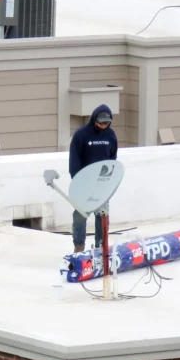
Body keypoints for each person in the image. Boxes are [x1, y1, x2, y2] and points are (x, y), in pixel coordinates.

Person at [68, 104, 118, 253]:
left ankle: (101, 248)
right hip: (84, 184)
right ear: (94, 119)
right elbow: (74, 160)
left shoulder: (111, 136)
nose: (103, 125)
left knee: (102, 217)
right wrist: (77, 182)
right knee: (80, 216)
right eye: (101, 122)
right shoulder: (81, 135)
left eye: (106, 123)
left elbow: (112, 159)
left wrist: (108, 182)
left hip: (102, 184)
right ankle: (79, 247)